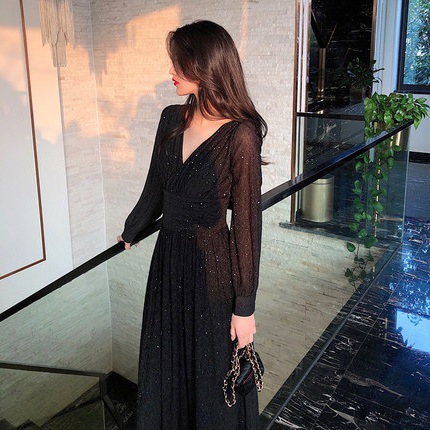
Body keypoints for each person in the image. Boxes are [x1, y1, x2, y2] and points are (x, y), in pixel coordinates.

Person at [118, 20, 267, 430]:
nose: (171, 72)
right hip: (168, 263)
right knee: (168, 364)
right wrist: (132, 228)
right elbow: (155, 186)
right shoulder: (171, 118)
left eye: (178, 63)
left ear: (204, 66)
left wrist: (245, 308)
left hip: (212, 270)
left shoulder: (240, 135)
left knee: (209, 372)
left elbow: (248, 227)